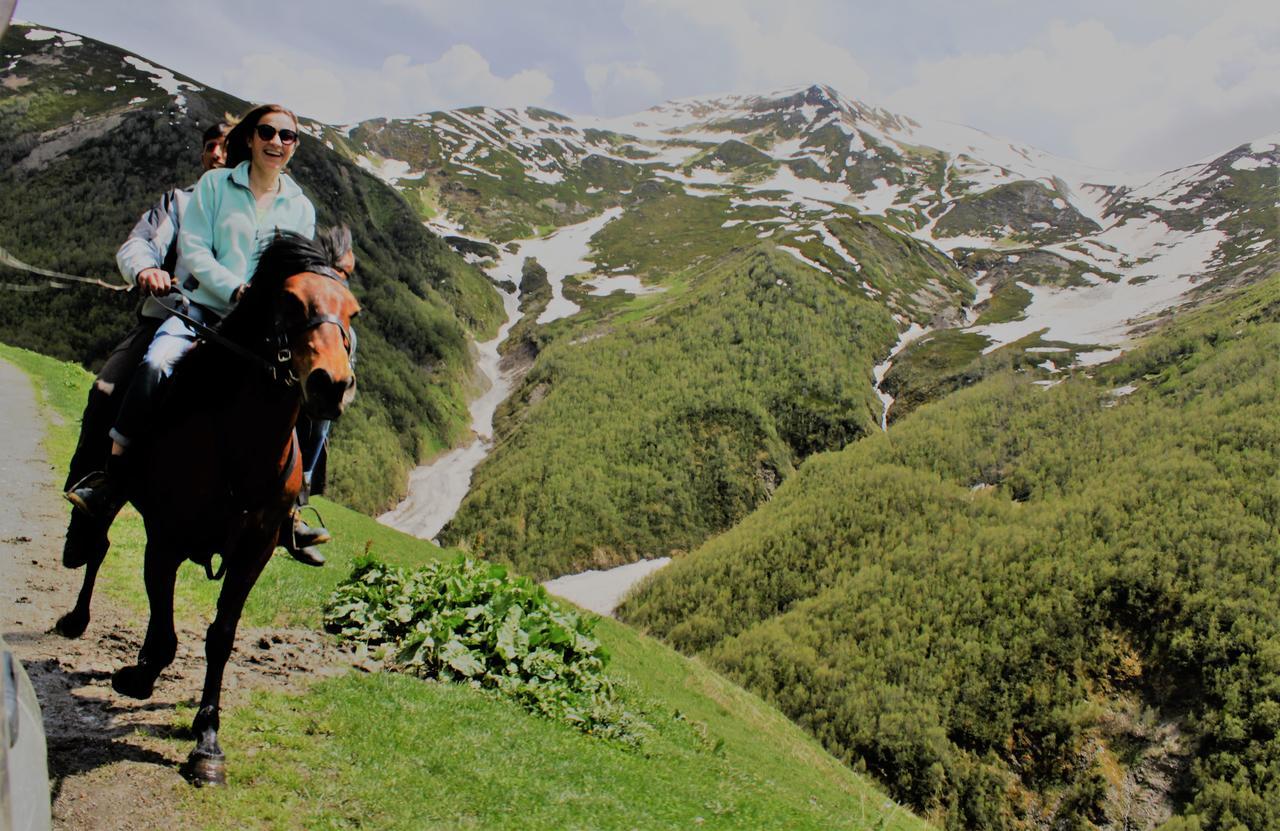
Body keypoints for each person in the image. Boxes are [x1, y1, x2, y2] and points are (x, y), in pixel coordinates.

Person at [67, 103, 319, 562]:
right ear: (246, 140)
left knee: (315, 388)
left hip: (261, 327)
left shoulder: (299, 206)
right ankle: (108, 482)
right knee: (138, 373)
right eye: (266, 132)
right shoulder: (192, 196)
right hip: (189, 310)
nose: (277, 142)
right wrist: (146, 269)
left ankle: (293, 505)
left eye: (288, 136)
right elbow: (167, 246)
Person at [62, 121, 228, 568]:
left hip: (233, 332)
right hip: (167, 319)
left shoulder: (257, 211)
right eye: (210, 146)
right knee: (106, 391)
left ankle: (290, 506)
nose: (216, 154)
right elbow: (138, 244)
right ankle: (95, 498)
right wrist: (145, 270)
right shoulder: (179, 201)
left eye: (226, 147)